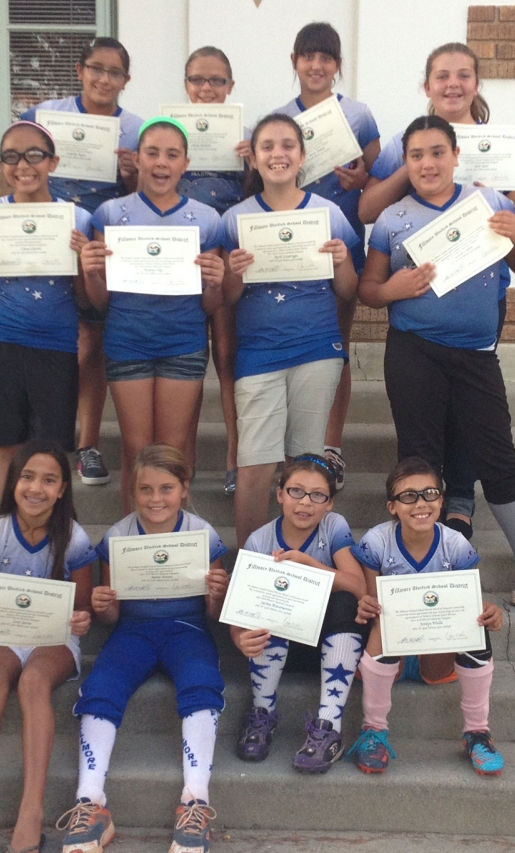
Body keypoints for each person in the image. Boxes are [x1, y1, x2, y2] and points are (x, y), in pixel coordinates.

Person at [358, 114, 515, 616]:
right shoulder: (393, 219)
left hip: (477, 358)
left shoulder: (490, 202)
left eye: (437, 152)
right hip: (414, 352)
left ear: (456, 156)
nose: (427, 163)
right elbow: (368, 290)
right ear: (406, 162)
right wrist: (393, 289)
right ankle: (422, 579)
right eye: (416, 155)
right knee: (420, 460)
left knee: (498, 458)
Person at [358, 42, 515, 537]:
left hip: (481, 289)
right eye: (441, 75)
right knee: (429, 411)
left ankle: (460, 498)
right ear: (427, 85)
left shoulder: (498, 139)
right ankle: (433, 510)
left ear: (476, 83)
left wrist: (480, 195)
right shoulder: (403, 144)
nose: (452, 84)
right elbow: (370, 209)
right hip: (423, 296)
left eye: (463, 75)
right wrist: (416, 166)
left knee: (469, 409)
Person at [55, 444, 229, 853]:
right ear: (133, 492)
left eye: (166, 488)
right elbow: (111, 617)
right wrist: (104, 605)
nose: (156, 499)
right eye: (146, 490)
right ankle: (90, 801)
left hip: (187, 627)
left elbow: (215, 613)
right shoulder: (119, 535)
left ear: (184, 489)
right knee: (102, 687)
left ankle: (196, 801)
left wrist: (216, 593)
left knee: (202, 683)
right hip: (133, 630)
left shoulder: (202, 533)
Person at [0, 440, 94, 853]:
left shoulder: (75, 538)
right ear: (13, 482)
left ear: (63, 489)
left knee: (33, 684)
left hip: (53, 639)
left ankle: (31, 811)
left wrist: (83, 617)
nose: (36, 488)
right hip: (2, 635)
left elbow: (83, 610)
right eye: (27, 477)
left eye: (49, 480)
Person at [222, 113, 358, 547]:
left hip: (317, 349)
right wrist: (235, 273)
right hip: (259, 353)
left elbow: (349, 289)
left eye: (287, 146)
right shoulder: (236, 219)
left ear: (301, 156)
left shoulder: (328, 213)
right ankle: (249, 563)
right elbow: (226, 299)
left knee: (306, 468)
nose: (277, 154)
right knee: (256, 465)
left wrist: (341, 262)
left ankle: (303, 565)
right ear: (254, 158)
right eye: (267, 146)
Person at [80, 117, 225, 511]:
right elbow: (100, 301)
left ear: (185, 163)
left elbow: (210, 305)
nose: (162, 163)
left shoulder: (206, 218)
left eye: (172, 154)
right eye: (153, 153)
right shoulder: (110, 214)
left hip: (184, 342)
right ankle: (133, 547)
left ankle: (175, 540)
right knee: (137, 451)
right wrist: (91, 271)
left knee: (172, 452)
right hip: (128, 342)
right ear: (137, 160)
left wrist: (215, 282)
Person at [21, 37, 144, 486]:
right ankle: (47, 440)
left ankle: (87, 445)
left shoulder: (135, 129)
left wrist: (132, 177)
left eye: (114, 73)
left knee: (91, 347)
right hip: (47, 242)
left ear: (125, 80)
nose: (104, 79)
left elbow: (142, 200)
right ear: (80, 70)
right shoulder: (45, 118)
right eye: (96, 68)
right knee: (56, 344)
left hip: (99, 247)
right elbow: (20, 161)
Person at [348, 457, 505, 776]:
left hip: (435, 656)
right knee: (382, 615)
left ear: (442, 500)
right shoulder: (378, 540)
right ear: (392, 506)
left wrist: (489, 611)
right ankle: (373, 730)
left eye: (429, 493)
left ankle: (477, 733)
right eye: (408, 496)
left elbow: (467, 599)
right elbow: (372, 602)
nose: (420, 503)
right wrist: (364, 604)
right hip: (386, 654)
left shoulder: (455, 543)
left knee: (474, 621)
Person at [0, 120, 92, 495]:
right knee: (9, 449)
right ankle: (7, 536)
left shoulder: (77, 219)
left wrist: (84, 265)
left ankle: (53, 537)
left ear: (53, 161)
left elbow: (85, 299)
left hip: (57, 346)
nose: (23, 165)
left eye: (35, 154)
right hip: (2, 341)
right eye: (11, 156)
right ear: (1, 165)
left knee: (51, 454)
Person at [275, 22, 381, 487]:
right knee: (296, 347)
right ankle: (295, 449)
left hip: (341, 245)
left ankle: (331, 447)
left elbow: (381, 177)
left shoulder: (357, 114)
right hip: (290, 250)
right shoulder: (279, 117)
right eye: (308, 56)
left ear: (337, 65)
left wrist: (363, 183)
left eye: (326, 58)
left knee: (336, 348)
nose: (316, 65)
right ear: (295, 61)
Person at [229, 454, 368, 774]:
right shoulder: (259, 539)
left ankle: (328, 727)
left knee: (344, 600)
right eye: (296, 491)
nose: (305, 502)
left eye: (318, 495)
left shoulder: (333, 526)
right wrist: (239, 638)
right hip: (278, 648)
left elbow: (360, 587)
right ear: (279, 493)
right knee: (268, 600)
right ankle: (262, 712)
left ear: (330, 503)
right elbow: (239, 605)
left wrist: (311, 566)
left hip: (330, 646)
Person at [179, 46, 252, 494]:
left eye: (216, 81)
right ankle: (177, 464)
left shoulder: (243, 135)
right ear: (185, 84)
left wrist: (251, 164)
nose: (206, 89)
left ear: (230, 86)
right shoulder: (164, 132)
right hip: (176, 258)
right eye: (197, 80)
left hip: (224, 253)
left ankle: (234, 457)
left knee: (227, 356)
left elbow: (258, 197)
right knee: (187, 360)